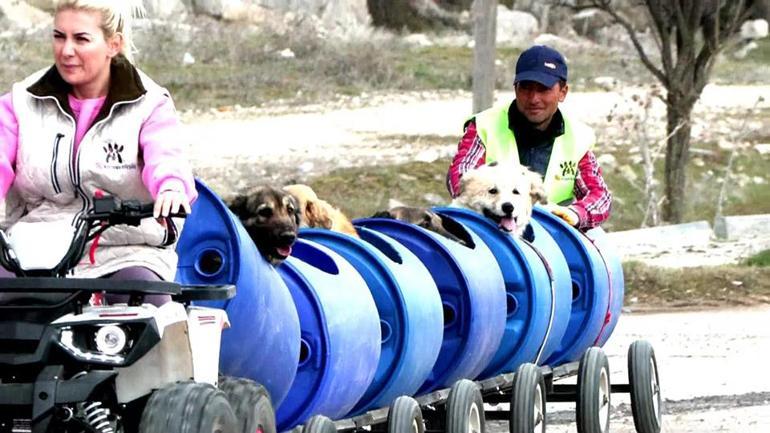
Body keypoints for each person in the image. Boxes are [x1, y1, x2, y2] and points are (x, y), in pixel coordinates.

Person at [0, 0, 196, 299]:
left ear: (113, 44)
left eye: (81, 39)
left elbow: (167, 156)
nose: (66, 50)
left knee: (150, 308)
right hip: (33, 245)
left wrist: (171, 188)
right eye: (58, 36)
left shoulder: (149, 104)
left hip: (125, 246)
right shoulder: (20, 102)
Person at [447, 45, 611, 231]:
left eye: (543, 89)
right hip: (488, 230)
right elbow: (460, 179)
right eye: (526, 88)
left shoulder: (578, 137)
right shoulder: (484, 125)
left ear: (563, 92)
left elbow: (599, 196)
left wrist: (575, 214)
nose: (533, 98)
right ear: (515, 88)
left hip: (553, 233)